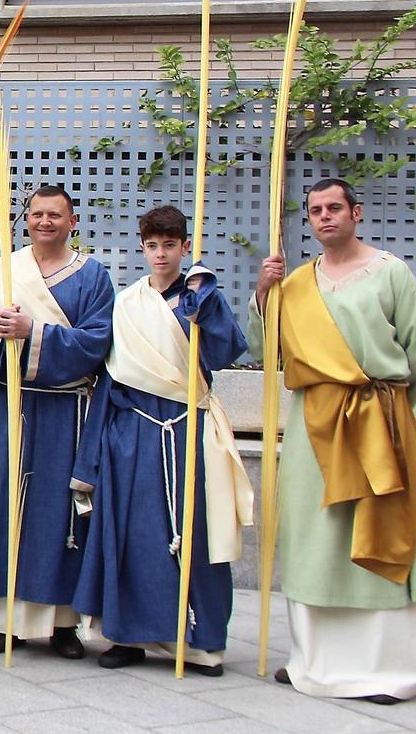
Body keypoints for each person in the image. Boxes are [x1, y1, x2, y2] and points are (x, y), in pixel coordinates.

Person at [251, 179, 416, 704]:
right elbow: (266, 350)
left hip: (379, 421)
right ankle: (313, 662)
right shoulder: (294, 283)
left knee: (383, 528)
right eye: (315, 211)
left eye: (334, 207)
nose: (324, 217)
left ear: (355, 212)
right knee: (315, 539)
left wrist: (392, 409)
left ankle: (388, 671)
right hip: (314, 423)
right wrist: (264, 294)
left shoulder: (391, 272)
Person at [73, 205, 251, 675]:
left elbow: (226, 349)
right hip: (130, 430)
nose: (160, 254)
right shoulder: (129, 302)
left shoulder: (200, 295)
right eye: (152, 245)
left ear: (185, 246)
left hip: (185, 426)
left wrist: (204, 310)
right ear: (142, 246)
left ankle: (200, 643)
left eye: (169, 245)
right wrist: (94, 451)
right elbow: (112, 373)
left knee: (191, 531)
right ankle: (127, 636)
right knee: (129, 534)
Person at [0, 183, 113, 658]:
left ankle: (62, 623)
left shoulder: (93, 277)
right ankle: (2, 621)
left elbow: (98, 343)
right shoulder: (6, 271)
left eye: (55, 215)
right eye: (37, 214)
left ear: (73, 222)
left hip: (64, 411)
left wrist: (37, 332)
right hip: (10, 406)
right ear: (26, 220)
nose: (45, 222)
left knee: (58, 512)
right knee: (1, 504)